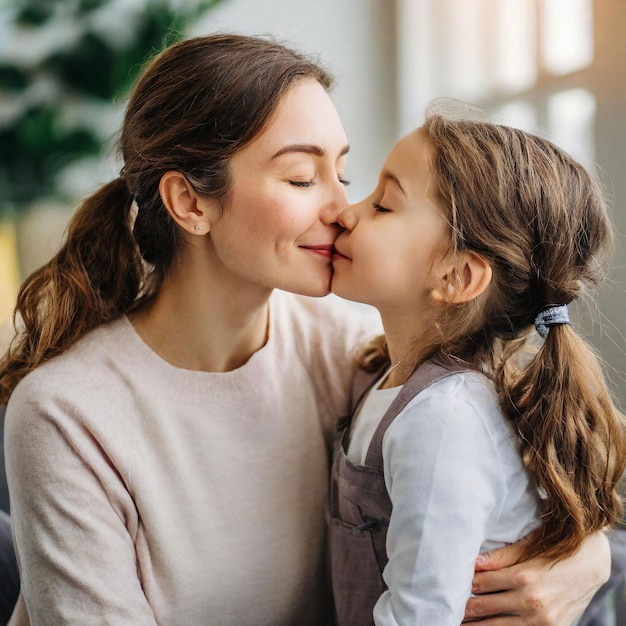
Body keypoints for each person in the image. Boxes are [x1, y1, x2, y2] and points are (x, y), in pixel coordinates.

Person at [0, 34, 616, 625]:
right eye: (301, 178)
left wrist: (585, 558)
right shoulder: (66, 414)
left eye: (344, 175)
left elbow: (574, 434)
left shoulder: (341, 348)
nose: (341, 209)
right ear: (191, 203)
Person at [328, 104, 626, 625]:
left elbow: (418, 617)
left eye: (382, 206)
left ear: (456, 277)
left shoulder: (441, 417)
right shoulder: (381, 377)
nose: (346, 213)